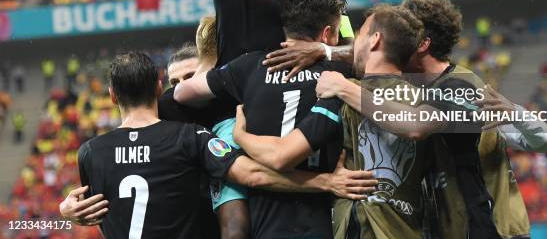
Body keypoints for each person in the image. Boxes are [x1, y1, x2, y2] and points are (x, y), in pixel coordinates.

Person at [173, 0, 355, 235]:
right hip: (242, 109)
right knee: (239, 228)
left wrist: (321, 50)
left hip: (311, 117)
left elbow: (353, 51)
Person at [60, 52, 376, 238]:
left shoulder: (90, 152)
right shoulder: (189, 137)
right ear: (159, 87)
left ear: (112, 95)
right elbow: (254, 175)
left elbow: (87, 209)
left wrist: (64, 211)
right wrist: (326, 182)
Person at [174, 0, 374, 238]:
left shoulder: (248, 66)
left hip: (264, 223)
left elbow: (183, 93)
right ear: (327, 34)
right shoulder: (339, 76)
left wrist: (211, 63)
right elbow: (374, 60)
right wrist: (330, 53)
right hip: (322, 221)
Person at [402, 0, 547, 239]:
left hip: (499, 229)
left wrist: (514, 112)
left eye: (401, 36)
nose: (394, 44)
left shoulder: (469, 87)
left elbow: (544, 141)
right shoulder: (412, 91)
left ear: (422, 43)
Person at [309, 4, 435, 238]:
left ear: (375, 39)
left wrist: (344, 86)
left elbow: (414, 126)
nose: (354, 44)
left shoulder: (341, 91)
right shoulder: (428, 97)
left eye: (359, 35)